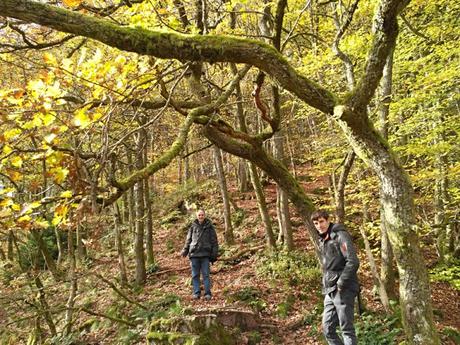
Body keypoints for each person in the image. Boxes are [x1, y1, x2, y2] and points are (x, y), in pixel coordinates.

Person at [311, 209, 360, 345]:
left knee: (347, 330)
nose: (319, 225)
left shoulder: (340, 235)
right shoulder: (323, 238)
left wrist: (341, 282)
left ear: (327, 220)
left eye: (321, 221)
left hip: (343, 288)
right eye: (316, 223)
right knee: (327, 329)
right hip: (329, 289)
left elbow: (353, 261)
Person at [181, 209, 218, 300]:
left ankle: (207, 293)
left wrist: (214, 254)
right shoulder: (193, 227)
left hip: (205, 254)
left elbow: (214, 241)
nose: (200, 216)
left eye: (202, 215)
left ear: (204, 215)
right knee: (195, 275)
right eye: (199, 215)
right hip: (194, 254)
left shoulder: (210, 227)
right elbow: (188, 240)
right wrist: (185, 251)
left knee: (206, 275)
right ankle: (196, 293)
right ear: (197, 216)